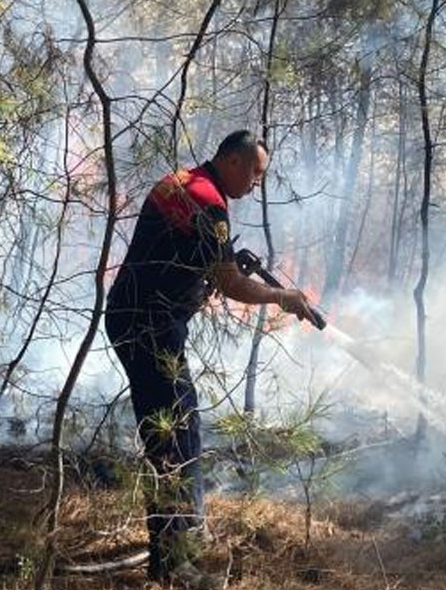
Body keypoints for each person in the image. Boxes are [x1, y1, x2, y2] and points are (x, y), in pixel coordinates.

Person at [105, 130, 316, 588]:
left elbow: (182, 254)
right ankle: (177, 565)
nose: (257, 184)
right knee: (178, 439)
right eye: (256, 173)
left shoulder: (182, 181)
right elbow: (231, 285)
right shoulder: (207, 201)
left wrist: (222, 264)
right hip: (150, 328)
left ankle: (168, 557)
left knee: (172, 434)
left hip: (134, 319)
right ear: (233, 162)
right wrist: (283, 297)